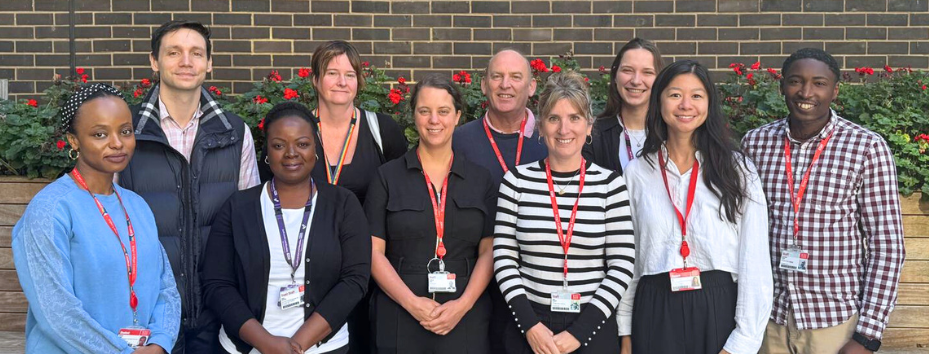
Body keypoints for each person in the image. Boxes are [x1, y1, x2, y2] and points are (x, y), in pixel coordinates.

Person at [742, 48, 905, 354]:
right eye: (795, 81)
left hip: (833, 324)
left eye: (819, 83)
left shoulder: (866, 147)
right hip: (768, 321)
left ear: (835, 90)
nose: (806, 92)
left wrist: (867, 336)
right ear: (782, 87)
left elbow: (887, 245)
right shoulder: (756, 143)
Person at [116, 20, 261, 353]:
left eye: (196, 53)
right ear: (154, 61)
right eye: (174, 52)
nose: (186, 61)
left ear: (209, 64)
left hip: (218, 310)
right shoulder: (125, 133)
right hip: (146, 312)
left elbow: (249, 222)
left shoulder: (236, 134)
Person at [616, 60, 772, 354]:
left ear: (709, 104)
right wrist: (625, 330)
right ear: (658, 100)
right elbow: (630, 260)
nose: (685, 105)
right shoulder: (638, 173)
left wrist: (743, 341)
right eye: (675, 95)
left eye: (696, 96)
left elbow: (755, 262)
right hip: (655, 308)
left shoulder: (737, 171)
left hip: (717, 307)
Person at [13, 83, 181, 353]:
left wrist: (160, 343)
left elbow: (166, 288)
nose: (117, 143)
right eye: (100, 134)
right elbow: (56, 312)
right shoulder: (51, 209)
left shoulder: (137, 205)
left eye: (125, 131)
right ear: (74, 140)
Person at [202, 102, 371, 354]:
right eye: (279, 145)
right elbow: (217, 284)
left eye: (302, 144)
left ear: (316, 148)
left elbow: (355, 280)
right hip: (247, 349)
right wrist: (265, 343)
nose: (291, 153)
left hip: (323, 348)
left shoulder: (343, 204)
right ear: (267, 152)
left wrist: (297, 345)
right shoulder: (238, 207)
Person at [493, 71, 635, 354]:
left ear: (589, 126)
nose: (564, 129)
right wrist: (530, 326)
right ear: (541, 126)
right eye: (554, 118)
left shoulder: (610, 185)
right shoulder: (516, 181)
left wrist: (578, 333)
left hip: (591, 326)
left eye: (574, 118)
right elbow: (504, 258)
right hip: (530, 328)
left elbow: (622, 264)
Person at [365, 75, 497, 353]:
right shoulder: (387, 177)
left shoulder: (481, 179)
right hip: (400, 313)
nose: (434, 120)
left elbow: (490, 251)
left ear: (458, 116)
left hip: (464, 315)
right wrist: (412, 303)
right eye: (425, 111)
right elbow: (373, 252)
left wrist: (462, 306)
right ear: (413, 115)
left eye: (443, 111)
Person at [451, 48, 548, 352]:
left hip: (536, 284)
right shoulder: (458, 140)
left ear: (531, 87)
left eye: (516, 77)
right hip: (474, 285)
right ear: (484, 85)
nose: (505, 84)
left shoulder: (553, 139)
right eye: (497, 76)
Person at [584, 38, 663, 173]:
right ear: (615, 76)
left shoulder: (671, 133)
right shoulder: (594, 135)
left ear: (659, 80)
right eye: (628, 70)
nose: (636, 81)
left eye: (647, 72)